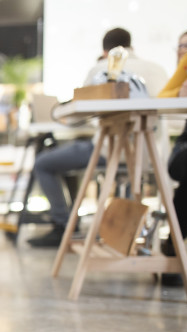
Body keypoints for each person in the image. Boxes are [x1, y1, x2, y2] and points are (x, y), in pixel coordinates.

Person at [28, 28, 169, 247]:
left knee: (44, 163)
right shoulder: (157, 70)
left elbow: (81, 113)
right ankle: (131, 234)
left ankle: (63, 224)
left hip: (109, 151)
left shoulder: (101, 69)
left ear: (105, 52)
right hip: (150, 155)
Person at [157, 28, 187, 286]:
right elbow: (161, 99)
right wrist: (180, 93)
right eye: (181, 46)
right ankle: (173, 248)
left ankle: (173, 246)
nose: (184, 51)